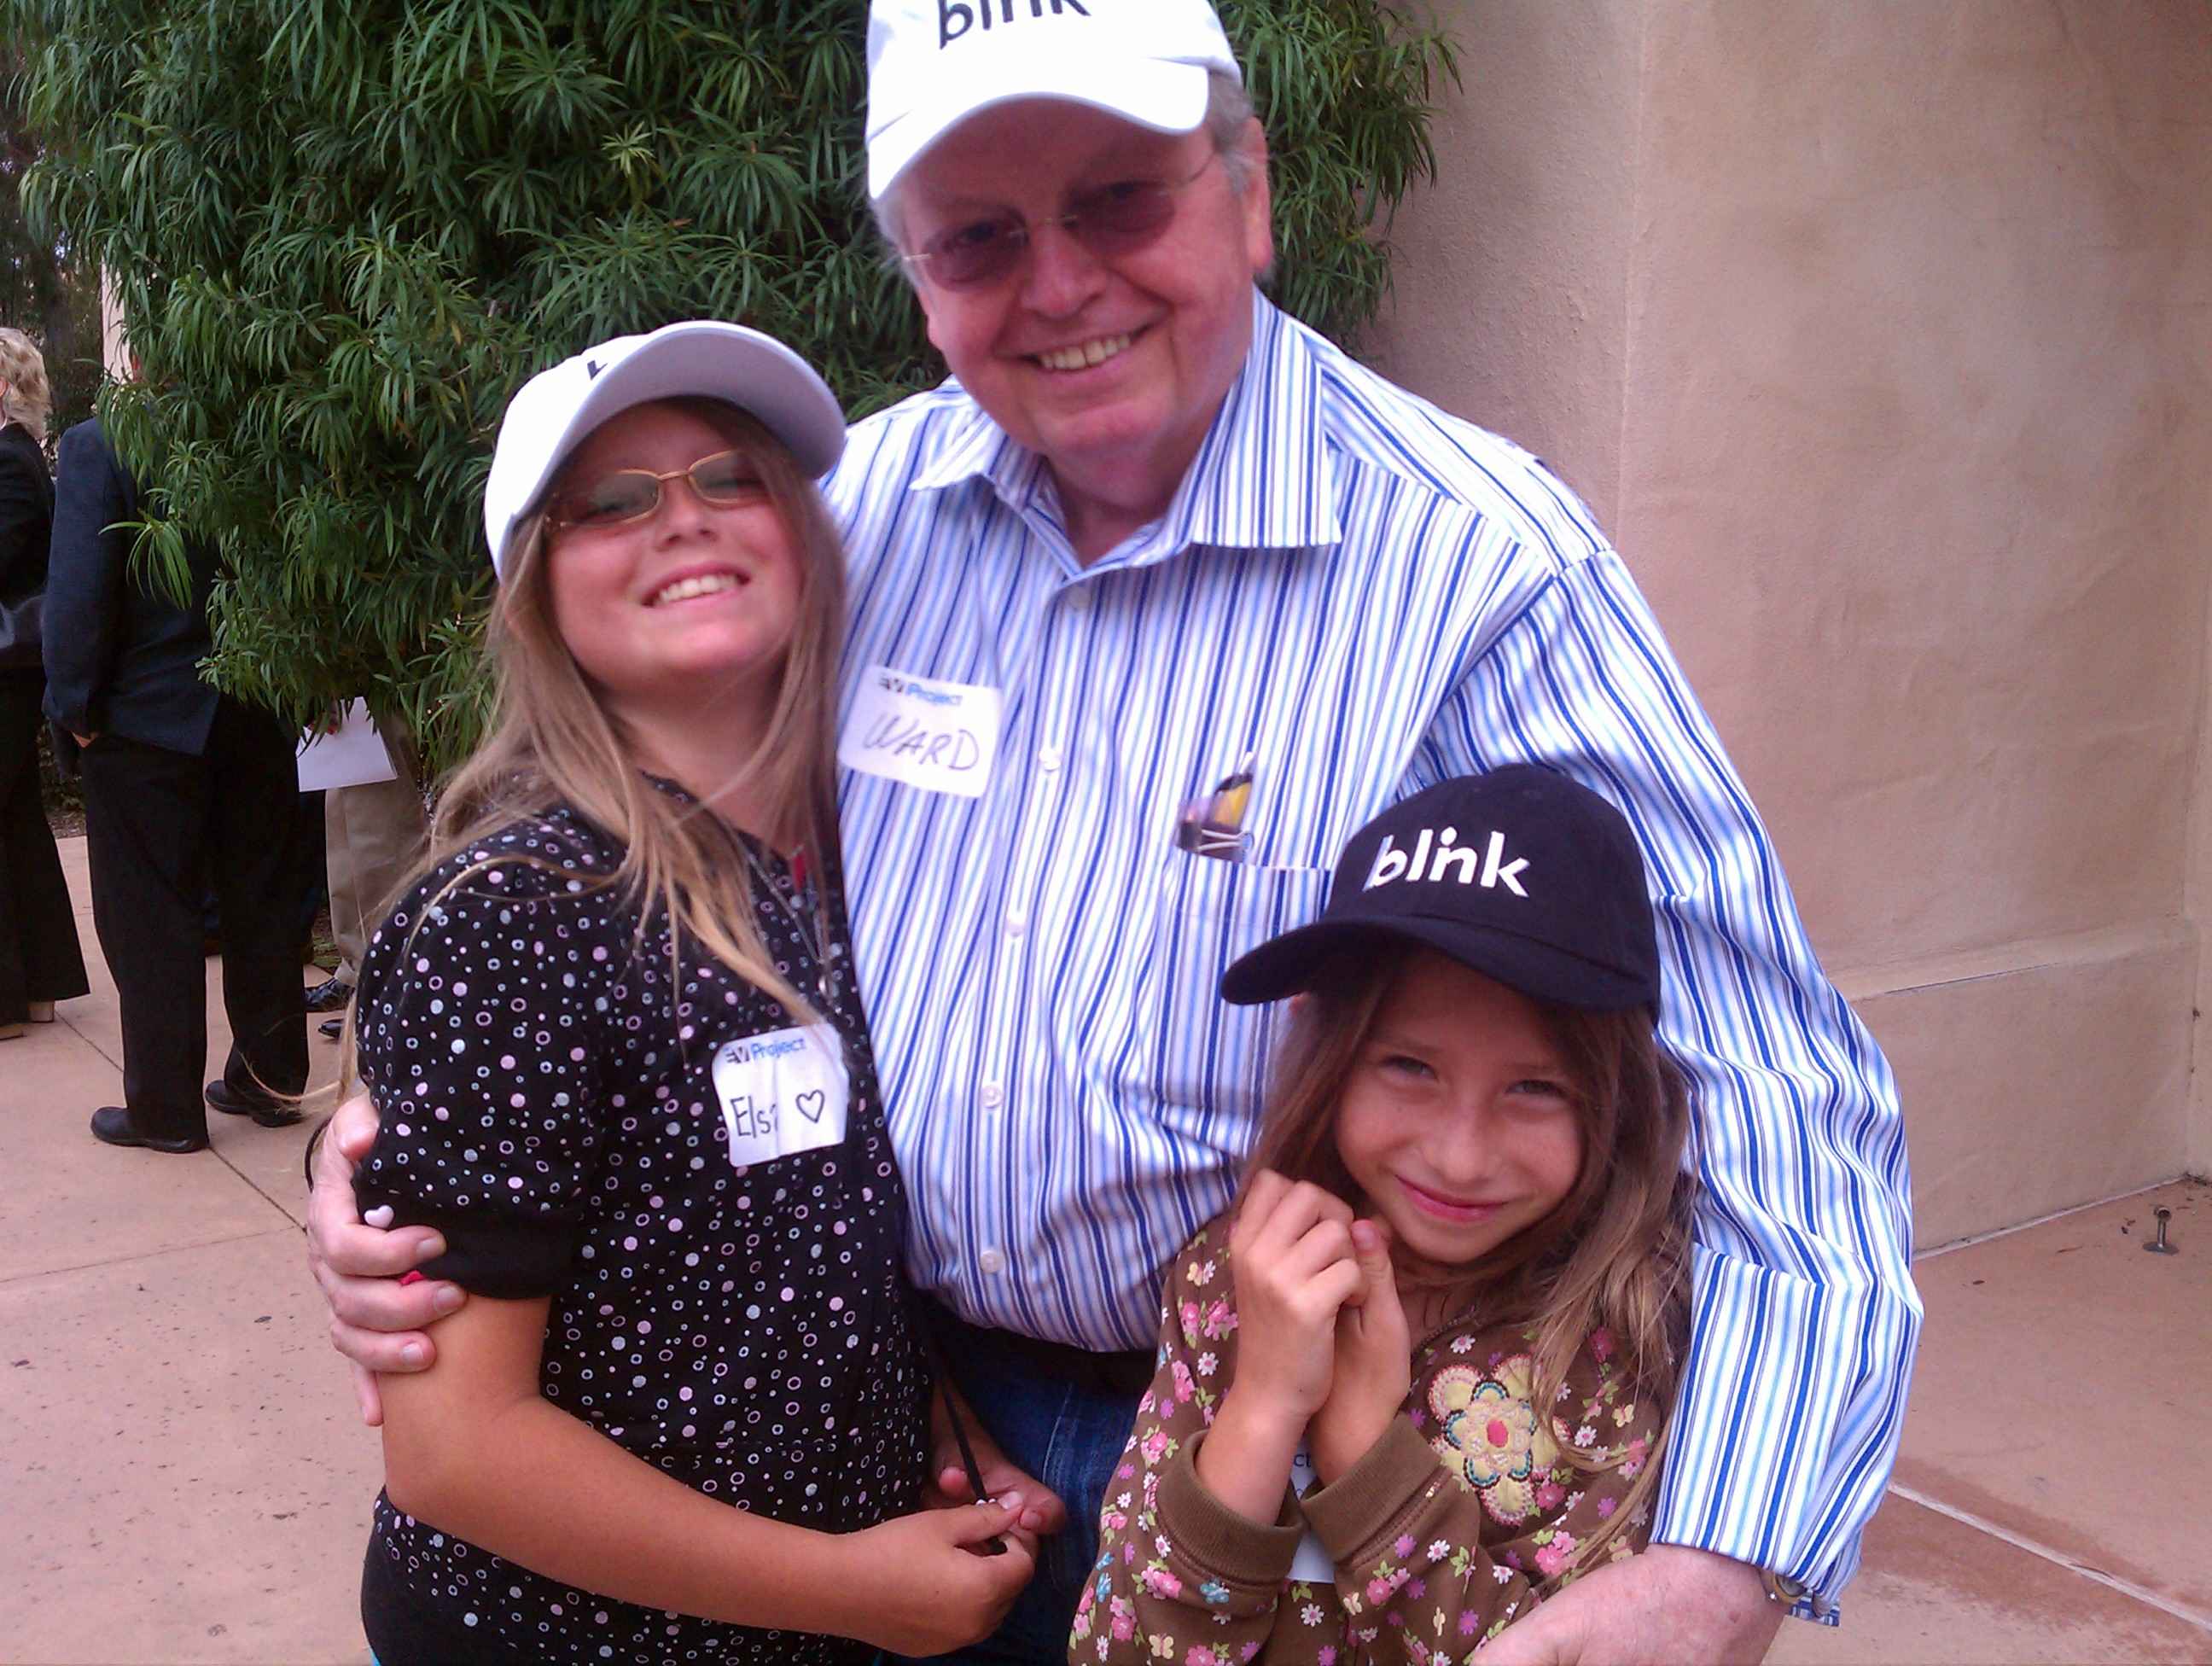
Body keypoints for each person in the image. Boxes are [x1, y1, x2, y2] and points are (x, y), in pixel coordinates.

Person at [310, 2, 1920, 1657]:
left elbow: (1766, 1070)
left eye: (1120, 201)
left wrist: (1721, 1560)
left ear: (1251, 191)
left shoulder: (1484, 567)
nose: (1061, 284)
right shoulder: (849, 520)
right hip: (905, 1435)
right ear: (918, 278)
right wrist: (391, 1145)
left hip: (1271, 1440)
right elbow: (619, 839)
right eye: (982, 236)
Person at [343, 321, 1043, 1664]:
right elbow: (454, 1452)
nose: (683, 521)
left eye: (732, 478)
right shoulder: (518, 916)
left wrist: (929, 1409)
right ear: (536, 591)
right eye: (611, 502)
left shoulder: (864, 861)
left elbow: (799, 1226)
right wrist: (854, 1591)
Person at [1076, 769, 1694, 1662]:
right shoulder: (1240, 1275)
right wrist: (1264, 1404)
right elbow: (1121, 1648)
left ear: (1616, 1098)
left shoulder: (1615, 1340)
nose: (1459, 1153)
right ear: (1328, 1051)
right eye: (1410, 1065)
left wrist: (1370, 1455)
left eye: (1534, 1087)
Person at [42, 402, 305, 1151]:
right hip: (254, 705)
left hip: (144, 715)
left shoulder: (102, 446)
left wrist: (74, 707)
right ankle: (272, 1078)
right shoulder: (257, 429)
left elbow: (80, 592)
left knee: (149, 916)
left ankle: (166, 1109)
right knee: (263, 898)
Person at [0, 327, 89, 1042]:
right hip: (14, 666)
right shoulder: (19, 455)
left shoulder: (8, 458)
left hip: (6, 666)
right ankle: (40, 988)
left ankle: (8, 999)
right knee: (18, 817)